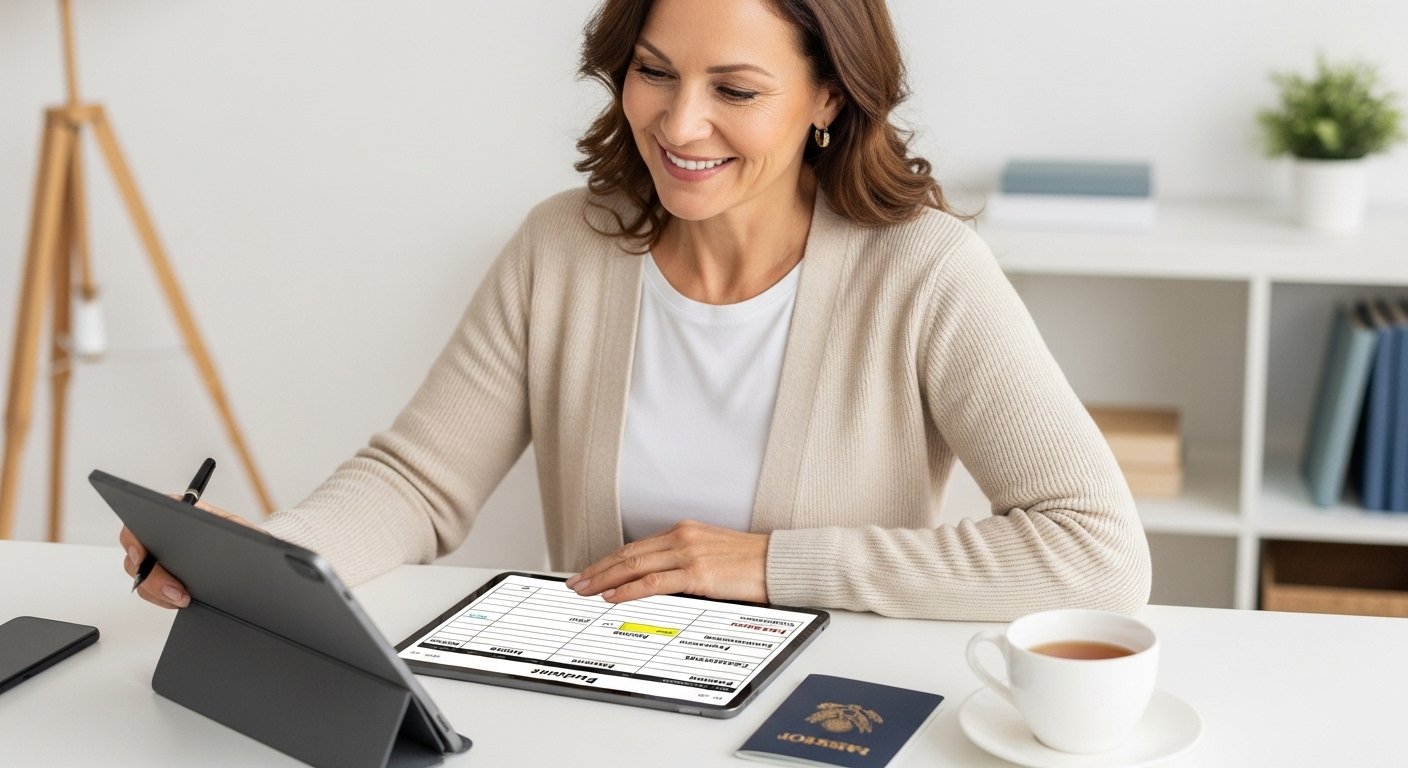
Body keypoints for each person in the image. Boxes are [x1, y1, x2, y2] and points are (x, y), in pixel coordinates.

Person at [122, 0, 1151, 621]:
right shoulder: (562, 246)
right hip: (602, 698)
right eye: (653, 72)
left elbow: (1096, 553)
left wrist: (768, 566)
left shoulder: (925, 274)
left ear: (828, 99)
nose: (678, 122)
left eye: (735, 90)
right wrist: (267, 560)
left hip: (821, 712)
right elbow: (418, 482)